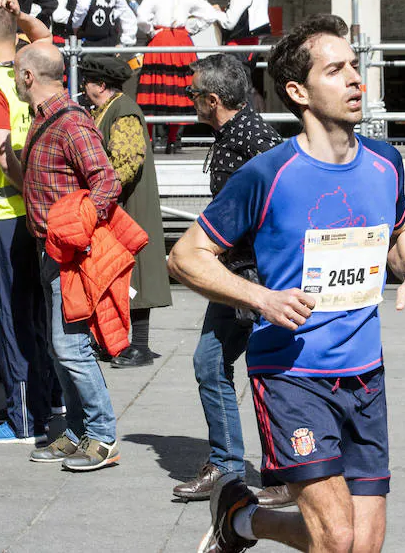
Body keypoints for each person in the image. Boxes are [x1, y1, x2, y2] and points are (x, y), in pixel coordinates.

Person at [167, 14, 405, 553]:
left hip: (365, 376)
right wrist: (260, 297)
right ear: (299, 91)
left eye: (356, 68)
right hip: (292, 374)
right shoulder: (268, 173)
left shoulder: (385, 161)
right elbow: (185, 256)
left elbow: (400, 226)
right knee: (336, 538)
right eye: (336, 70)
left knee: (363, 544)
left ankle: (242, 519)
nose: (357, 80)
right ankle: (244, 516)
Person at [169, 54, 289, 507]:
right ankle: (227, 465)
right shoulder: (234, 135)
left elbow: (282, 206)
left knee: (268, 372)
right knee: (209, 362)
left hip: (258, 278)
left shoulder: (256, 141)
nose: (190, 102)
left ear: (212, 99)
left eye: (193, 95)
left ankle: (282, 474)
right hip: (233, 274)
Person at [17, 42, 123, 471]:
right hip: (50, 252)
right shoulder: (45, 119)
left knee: (72, 348)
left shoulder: (70, 122)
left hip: (69, 254)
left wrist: (77, 232)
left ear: (28, 78)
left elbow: (107, 181)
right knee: (61, 349)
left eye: (16, 72)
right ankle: (78, 432)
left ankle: (102, 435)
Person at [0, 0, 55, 444]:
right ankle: (49, 401)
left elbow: (3, 154)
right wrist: (22, 17)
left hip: (7, 216)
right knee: (39, 314)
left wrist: (27, 192)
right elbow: (46, 37)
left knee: (10, 315)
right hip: (43, 216)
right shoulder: (38, 68)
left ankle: (23, 419)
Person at [79, 55, 171, 368]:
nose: (84, 88)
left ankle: (140, 347)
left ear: (101, 85)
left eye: (88, 82)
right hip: (116, 206)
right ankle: (114, 343)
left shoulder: (124, 109)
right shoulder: (105, 109)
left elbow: (129, 161)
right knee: (113, 275)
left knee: (137, 276)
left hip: (129, 207)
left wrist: (102, 193)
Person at [136, 0, 219, 154]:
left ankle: (148, 141)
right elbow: (210, 14)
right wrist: (191, 28)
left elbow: (141, 18)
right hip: (182, 42)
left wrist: (150, 31)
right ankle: (173, 141)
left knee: (153, 93)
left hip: (161, 40)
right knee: (176, 93)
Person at [214, 0, 271, 74]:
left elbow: (228, 23)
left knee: (233, 86)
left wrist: (217, 12)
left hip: (238, 47)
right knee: (244, 84)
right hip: (252, 47)